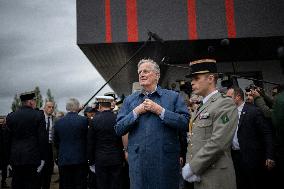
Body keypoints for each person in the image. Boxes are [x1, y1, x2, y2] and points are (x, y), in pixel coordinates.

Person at [115, 58, 189, 189]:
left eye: (146, 71)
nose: (141, 74)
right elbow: (119, 129)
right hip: (139, 165)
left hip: (165, 163)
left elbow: (184, 123)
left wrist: (160, 111)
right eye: (139, 72)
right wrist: (136, 112)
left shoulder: (173, 97)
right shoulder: (130, 101)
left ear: (157, 75)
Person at [182, 59, 238, 189]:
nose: (192, 82)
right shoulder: (201, 106)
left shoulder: (224, 104)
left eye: (196, 78)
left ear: (211, 78)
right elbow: (194, 140)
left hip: (216, 176)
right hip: (201, 174)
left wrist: (192, 167)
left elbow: (218, 142)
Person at [226, 87, 274, 189]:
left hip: (252, 158)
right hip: (235, 157)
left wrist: (269, 155)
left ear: (238, 97)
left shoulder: (253, 111)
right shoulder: (227, 114)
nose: (226, 100)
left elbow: (267, 133)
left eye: (229, 97)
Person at [6, 91, 48, 189]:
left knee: (17, 184)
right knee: (32, 184)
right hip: (33, 157)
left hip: (16, 157)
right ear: (30, 102)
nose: (35, 103)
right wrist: (43, 158)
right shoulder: (38, 115)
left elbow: (7, 140)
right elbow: (42, 138)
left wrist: (8, 159)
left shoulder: (11, 116)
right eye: (34, 101)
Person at [88, 96, 124, 189]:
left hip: (100, 159)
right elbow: (121, 139)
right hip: (116, 158)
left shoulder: (94, 120)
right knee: (116, 185)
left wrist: (91, 161)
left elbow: (91, 142)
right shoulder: (118, 118)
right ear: (111, 106)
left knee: (102, 185)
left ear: (100, 105)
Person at [54, 98, 88, 189]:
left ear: (66, 108)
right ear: (77, 107)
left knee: (66, 185)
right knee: (80, 185)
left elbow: (56, 142)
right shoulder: (84, 120)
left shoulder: (58, 122)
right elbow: (87, 139)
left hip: (64, 159)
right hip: (80, 159)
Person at [39, 101, 55, 189]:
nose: (51, 109)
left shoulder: (54, 119)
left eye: (52, 107)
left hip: (50, 149)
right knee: (39, 173)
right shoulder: (39, 118)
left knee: (48, 174)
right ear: (44, 107)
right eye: (49, 107)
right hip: (40, 148)